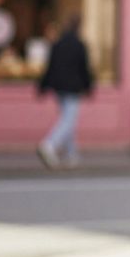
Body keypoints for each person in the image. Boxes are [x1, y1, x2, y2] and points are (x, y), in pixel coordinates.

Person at [37, 15, 92, 169]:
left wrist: (43, 85)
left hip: (59, 87)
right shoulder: (80, 45)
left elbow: (50, 67)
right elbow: (84, 69)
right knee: (68, 120)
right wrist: (88, 87)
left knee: (68, 119)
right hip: (73, 88)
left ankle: (71, 154)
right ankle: (49, 145)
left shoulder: (57, 44)